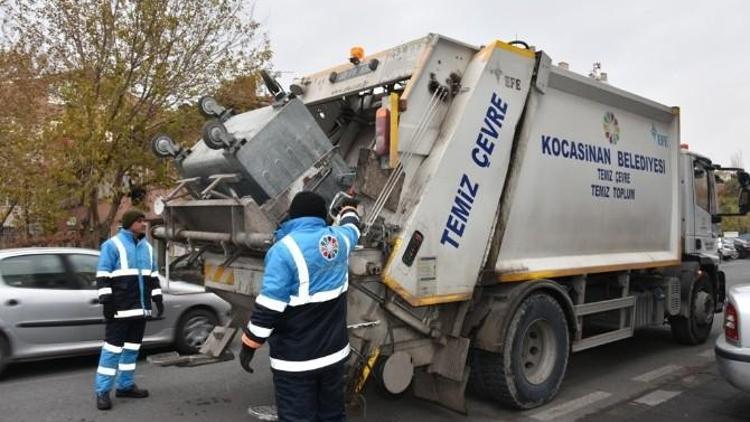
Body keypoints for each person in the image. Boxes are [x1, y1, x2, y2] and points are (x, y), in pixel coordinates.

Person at [239, 191, 360, 422]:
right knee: (333, 415)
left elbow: (269, 308)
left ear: (293, 216)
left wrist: (249, 344)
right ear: (322, 215)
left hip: (296, 361)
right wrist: (349, 209)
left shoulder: (283, 251)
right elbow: (353, 227)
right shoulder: (340, 240)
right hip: (334, 356)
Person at [93, 208, 164, 410]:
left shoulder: (148, 248)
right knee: (112, 351)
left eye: (144, 220)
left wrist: (157, 299)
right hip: (119, 310)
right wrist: (106, 302)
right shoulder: (112, 245)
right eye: (139, 220)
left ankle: (125, 386)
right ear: (129, 223)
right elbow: (103, 275)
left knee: (131, 350)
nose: (143, 224)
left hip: (139, 310)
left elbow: (153, 277)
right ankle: (102, 392)